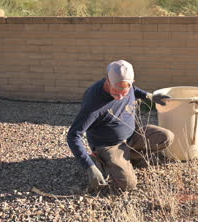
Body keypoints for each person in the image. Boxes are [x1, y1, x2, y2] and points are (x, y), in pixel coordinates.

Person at [67, 60, 174, 192]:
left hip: (132, 136)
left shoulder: (127, 87)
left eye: (125, 91)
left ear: (131, 82)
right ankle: (100, 160)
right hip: (109, 145)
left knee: (166, 137)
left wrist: (150, 96)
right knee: (128, 184)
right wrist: (89, 167)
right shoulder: (93, 103)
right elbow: (73, 135)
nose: (120, 96)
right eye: (116, 90)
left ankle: (126, 159)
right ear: (108, 80)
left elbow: (134, 90)